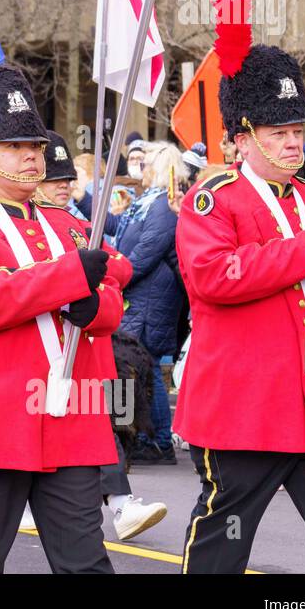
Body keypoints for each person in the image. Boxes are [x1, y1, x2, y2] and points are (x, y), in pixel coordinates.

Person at [173, 22, 305, 574]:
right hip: (245, 406)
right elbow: (212, 277)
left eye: (298, 130)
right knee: (222, 544)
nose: (294, 142)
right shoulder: (212, 198)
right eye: (278, 133)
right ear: (242, 137)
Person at [0, 64, 131, 573]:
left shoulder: (67, 224)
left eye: (36, 147)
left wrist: (96, 307)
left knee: (85, 562)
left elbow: (110, 298)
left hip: (71, 420)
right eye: (15, 146)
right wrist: (66, 281)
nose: (31, 156)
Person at [36, 132, 168, 540]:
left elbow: (123, 268)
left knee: (103, 420)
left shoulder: (77, 225)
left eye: (67, 178)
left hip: (83, 347)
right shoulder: (22, 223)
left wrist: (89, 278)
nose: (65, 185)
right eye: (55, 179)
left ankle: (122, 504)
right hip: (37, 351)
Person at [116, 143, 188, 466]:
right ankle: (146, 437)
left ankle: (157, 440)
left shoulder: (160, 207)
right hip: (144, 298)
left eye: (145, 164)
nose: (140, 169)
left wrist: (115, 276)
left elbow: (145, 253)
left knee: (148, 368)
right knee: (145, 367)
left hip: (149, 301)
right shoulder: (148, 204)